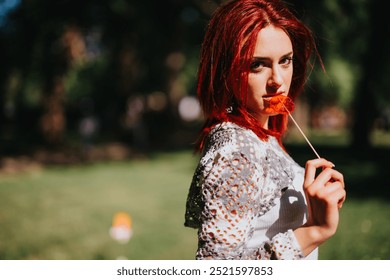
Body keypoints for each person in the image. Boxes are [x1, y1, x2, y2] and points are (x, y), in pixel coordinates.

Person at [184, 0, 346, 260]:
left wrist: (316, 210)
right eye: (257, 65)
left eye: (285, 61)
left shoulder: (259, 136)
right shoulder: (237, 152)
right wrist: (315, 231)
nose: (278, 81)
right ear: (227, 71)